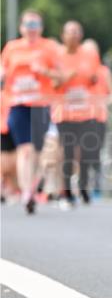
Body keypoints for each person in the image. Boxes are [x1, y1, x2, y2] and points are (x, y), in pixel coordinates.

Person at [0, 11, 61, 213]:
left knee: (37, 151)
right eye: (28, 25)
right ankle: (27, 192)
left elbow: (60, 77)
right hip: (17, 103)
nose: (32, 29)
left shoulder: (49, 47)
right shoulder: (12, 48)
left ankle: (31, 187)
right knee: (24, 150)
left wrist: (44, 71)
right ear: (21, 28)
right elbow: (2, 70)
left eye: (36, 25)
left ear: (41, 28)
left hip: (41, 104)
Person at [51, 20, 101, 207]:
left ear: (81, 35)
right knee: (68, 151)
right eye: (70, 32)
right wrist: (66, 77)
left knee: (87, 149)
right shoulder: (56, 56)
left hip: (86, 110)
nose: (73, 35)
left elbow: (95, 79)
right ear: (63, 35)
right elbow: (53, 84)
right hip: (64, 111)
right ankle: (67, 190)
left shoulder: (90, 55)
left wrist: (89, 79)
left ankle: (83, 186)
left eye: (77, 32)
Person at [81, 39, 112, 199]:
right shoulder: (78, 70)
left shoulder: (104, 71)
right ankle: (80, 185)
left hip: (98, 117)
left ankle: (96, 186)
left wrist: (102, 101)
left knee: (95, 152)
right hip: (78, 117)